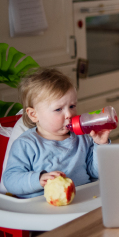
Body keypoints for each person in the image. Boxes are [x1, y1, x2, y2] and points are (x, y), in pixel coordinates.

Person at [3, 68, 111, 198]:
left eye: (72, 106)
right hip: (42, 210)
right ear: (34, 114)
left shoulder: (83, 138)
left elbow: (96, 172)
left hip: (83, 201)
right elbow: (10, 180)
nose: (69, 115)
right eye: (58, 109)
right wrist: (38, 179)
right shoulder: (26, 144)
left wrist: (101, 145)